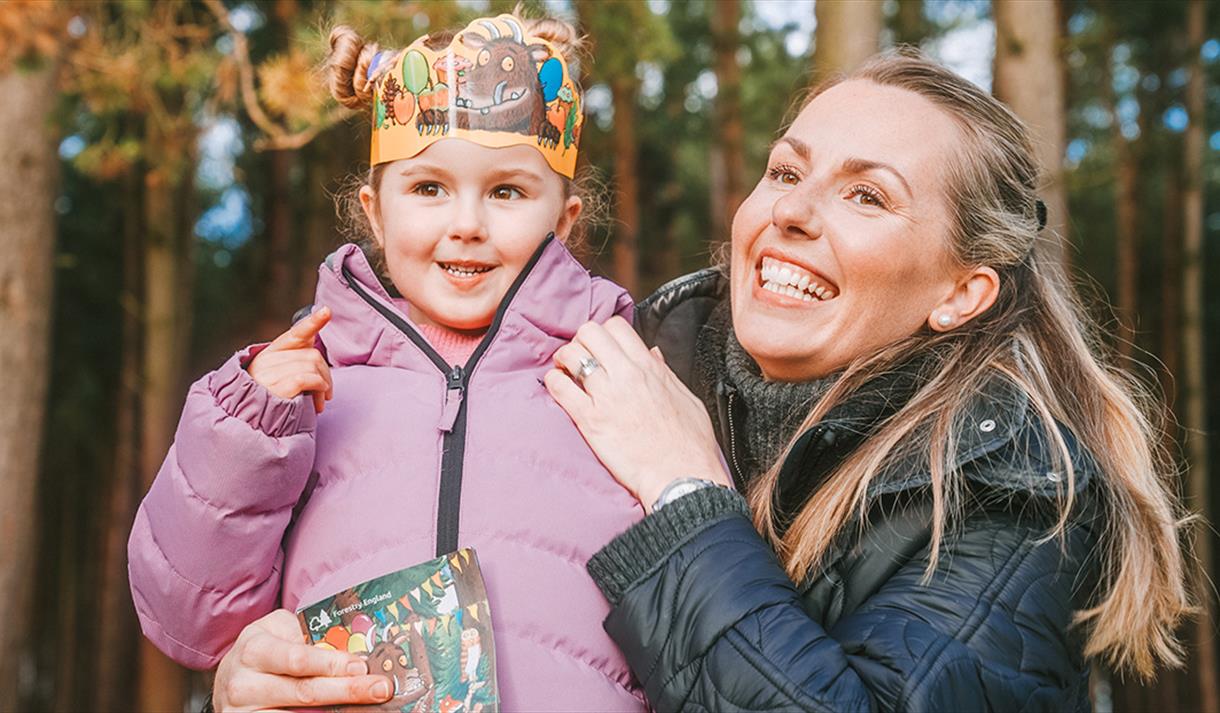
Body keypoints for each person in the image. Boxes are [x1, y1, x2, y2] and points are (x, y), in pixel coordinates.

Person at [545, 51, 1192, 711]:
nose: (792, 209)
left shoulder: (1016, 495)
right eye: (785, 170)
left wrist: (683, 490)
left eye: (866, 194)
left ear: (961, 292)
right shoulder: (631, 370)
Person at [127, 13, 647, 712]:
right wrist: (241, 434)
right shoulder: (308, 390)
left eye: (507, 192)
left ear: (564, 221)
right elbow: (189, 622)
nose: (466, 222)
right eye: (429, 188)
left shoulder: (622, 381)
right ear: (375, 213)